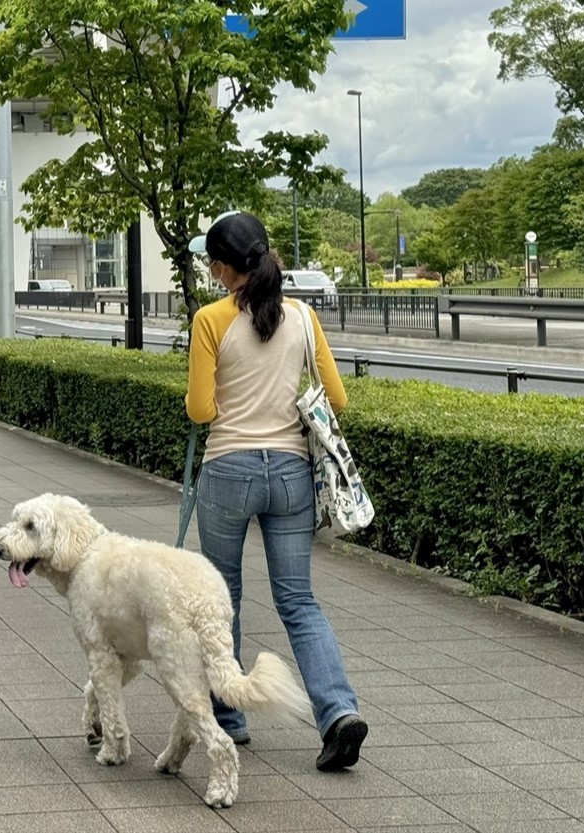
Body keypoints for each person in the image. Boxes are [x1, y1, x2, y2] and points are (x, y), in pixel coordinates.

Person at [185, 210, 367, 772]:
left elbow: (199, 410)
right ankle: (338, 713)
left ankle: (230, 718)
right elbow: (335, 400)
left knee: (224, 596)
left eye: (211, 265)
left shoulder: (211, 321)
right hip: (291, 475)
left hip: (228, 473)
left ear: (221, 267)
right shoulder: (305, 317)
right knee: (299, 601)